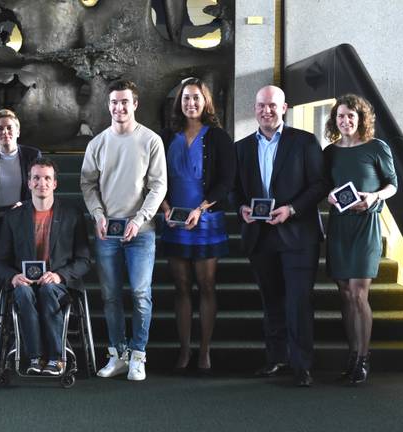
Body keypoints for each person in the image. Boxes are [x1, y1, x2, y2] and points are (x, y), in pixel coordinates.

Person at [232, 85, 325, 387]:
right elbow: (233, 190)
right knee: (271, 301)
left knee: (298, 302)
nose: (266, 111)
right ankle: (276, 359)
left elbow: (319, 185)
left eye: (272, 105)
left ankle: (302, 365)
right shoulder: (242, 147)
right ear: (255, 108)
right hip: (260, 236)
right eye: (261, 105)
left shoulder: (305, 142)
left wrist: (292, 209)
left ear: (284, 108)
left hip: (298, 236)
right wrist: (242, 208)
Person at [81, 79, 167, 381]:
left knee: (141, 294)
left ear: (135, 104)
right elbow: (87, 184)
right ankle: (118, 353)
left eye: (125, 102)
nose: (119, 107)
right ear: (109, 105)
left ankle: (138, 355)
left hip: (141, 232)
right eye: (114, 102)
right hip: (107, 233)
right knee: (110, 296)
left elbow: (159, 186)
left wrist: (140, 219)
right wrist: (98, 215)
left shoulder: (151, 140)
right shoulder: (98, 143)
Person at [158, 78, 235, 374]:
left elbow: (227, 181)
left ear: (206, 103)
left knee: (205, 286)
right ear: (179, 102)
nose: (191, 103)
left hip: (206, 220)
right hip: (173, 219)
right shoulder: (165, 136)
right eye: (186, 98)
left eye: (197, 98)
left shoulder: (218, 137)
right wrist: (164, 207)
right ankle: (184, 351)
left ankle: (204, 352)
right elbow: (154, 176)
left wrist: (201, 210)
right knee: (180, 288)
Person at [323, 94, 397, 384]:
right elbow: (324, 184)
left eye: (351, 116)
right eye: (341, 116)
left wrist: (374, 196)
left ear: (361, 118)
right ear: (335, 119)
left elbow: (393, 185)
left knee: (358, 293)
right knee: (344, 293)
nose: (345, 121)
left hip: (366, 225)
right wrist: (328, 194)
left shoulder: (377, 147)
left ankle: (364, 358)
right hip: (339, 225)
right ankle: (352, 354)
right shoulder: (330, 152)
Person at [0, 157, 91, 376]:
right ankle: (35, 358)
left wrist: (59, 276)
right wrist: (13, 277)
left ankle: (57, 359)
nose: (42, 183)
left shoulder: (72, 214)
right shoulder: (13, 216)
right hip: (24, 285)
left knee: (48, 290)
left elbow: (84, 261)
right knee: (25, 292)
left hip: (59, 286)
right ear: (28, 183)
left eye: (47, 178)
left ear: (55, 183)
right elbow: (0, 262)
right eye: (36, 178)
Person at [0, 109, 41, 289]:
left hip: (25, 222)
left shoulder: (32, 156)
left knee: (26, 275)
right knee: (2, 276)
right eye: (0, 129)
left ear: (18, 131)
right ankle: (2, 314)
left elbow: (41, 189)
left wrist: (24, 206)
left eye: (10, 128)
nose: (5, 132)